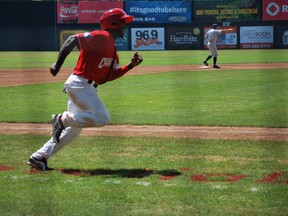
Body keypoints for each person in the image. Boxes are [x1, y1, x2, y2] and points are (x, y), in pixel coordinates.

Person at [28, 8, 143, 171]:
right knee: (103, 117)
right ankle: (62, 120)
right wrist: (57, 64)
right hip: (79, 85)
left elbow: (109, 76)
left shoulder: (112, 49)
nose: (125, 26)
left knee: (72, 132)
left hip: (84, 87)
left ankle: (39, 157)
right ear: (114, 24)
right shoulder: (102, 37)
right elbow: (72, 39)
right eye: (123, 23)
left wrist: (130, 65)